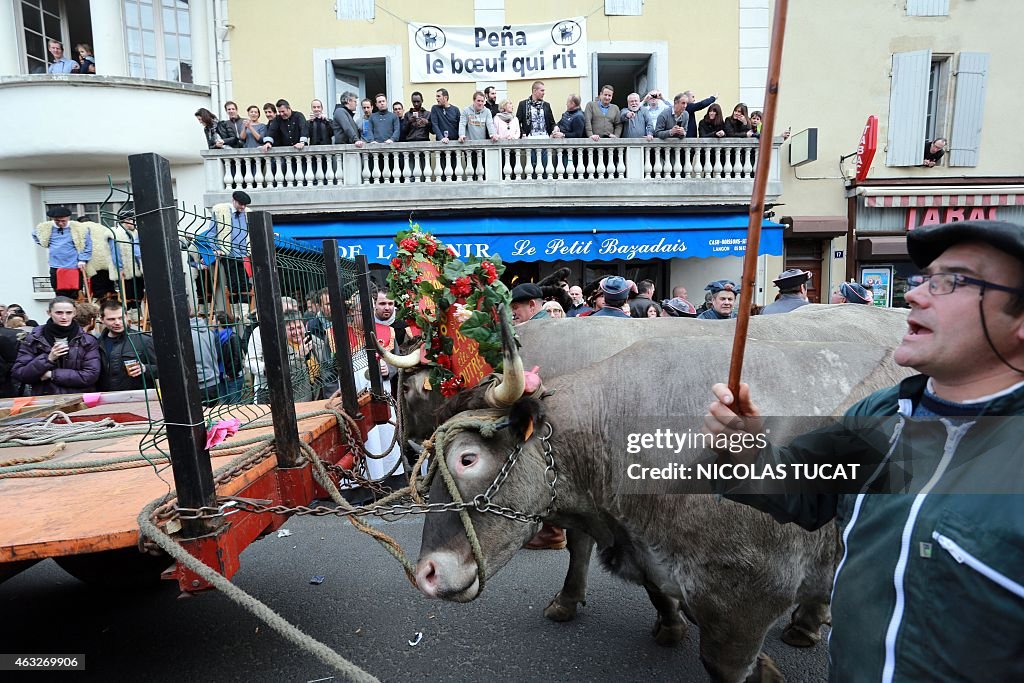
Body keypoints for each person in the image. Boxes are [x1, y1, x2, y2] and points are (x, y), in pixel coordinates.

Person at [705, 219, 1024, 680]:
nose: (913, 295)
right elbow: (804, 486)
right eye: (921, 280)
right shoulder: (884, 413)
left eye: (950, 281)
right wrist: (745, 452)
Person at [11, 296, 101, 395]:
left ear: (74, 313)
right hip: (45, 400)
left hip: (78, 399)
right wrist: (48, 359)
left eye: (68, 313)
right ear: (49, 313)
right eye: (59, 313)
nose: (64, 317)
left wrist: (51, 374)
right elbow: (20, 374)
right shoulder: (34, 338)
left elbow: (90, 376)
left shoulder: (87, 340)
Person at [199, 190, 252, 306]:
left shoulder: (248, 214)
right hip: (227, 252)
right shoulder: (220, 211)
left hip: (244, 254)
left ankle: (245, 314)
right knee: (233, 284)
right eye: (241, 204)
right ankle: (237, 313)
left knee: (245, 284)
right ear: (233, 200)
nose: (243, 207)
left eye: (245, 204)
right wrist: (216, 249)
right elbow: (211, 233)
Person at [96, 300, 156, 391]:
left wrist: (145, 369)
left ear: (127, 316)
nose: (117, 322)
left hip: (137, 399)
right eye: (111, 319)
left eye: (121, 318)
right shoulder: (97, 343)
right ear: (101, 319)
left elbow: (164, 369)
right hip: (107, 399)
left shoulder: (144, 340)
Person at [34, 206, 91, 299]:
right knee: (59, 293)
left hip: (73, 266)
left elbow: (88, 245)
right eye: (57, 221)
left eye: (63, 221)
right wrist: (46, 243)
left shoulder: (79, 229)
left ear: (68, 218)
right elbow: (35, 235)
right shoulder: (46, 228)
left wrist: (83, 260)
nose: (60, 223)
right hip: (56, 266)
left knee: (75, 293)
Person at [214, 312, 245, 403]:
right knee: (223, 405)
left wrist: (231, 374)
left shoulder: (233, 337)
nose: (211, 320)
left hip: (232, 377)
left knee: (234, 405)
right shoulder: (215, 336)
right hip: (220, 376)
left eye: (213, 319)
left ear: (218, 322)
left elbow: (237, 358)